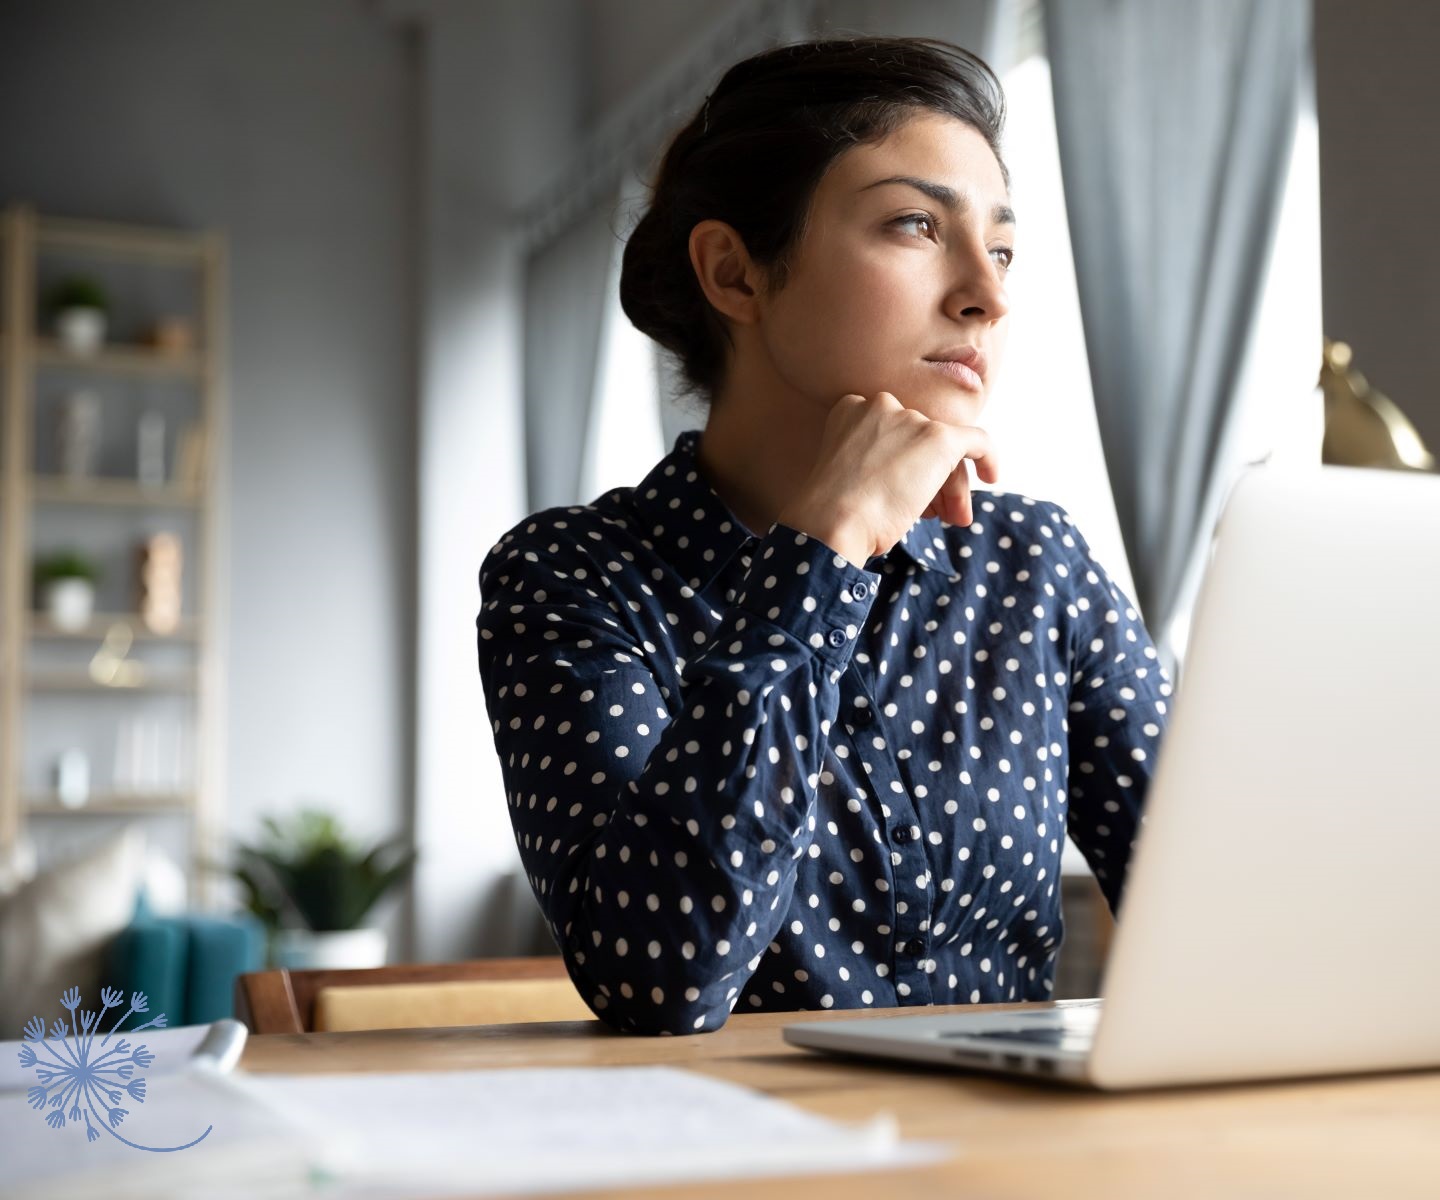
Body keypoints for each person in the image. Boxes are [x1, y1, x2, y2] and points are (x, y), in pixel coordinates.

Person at [476, 35, 1171, 1036]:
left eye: (1004, 246)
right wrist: (823, 548)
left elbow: (1208, 908)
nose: (988, 291)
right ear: (736, 274)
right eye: (914, 224)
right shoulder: (574, 577)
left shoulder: (1032, 565)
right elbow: (656, 980)